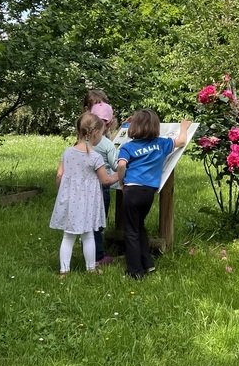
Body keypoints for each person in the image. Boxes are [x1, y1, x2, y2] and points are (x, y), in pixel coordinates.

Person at [117, 109, 191, 279]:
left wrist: (122, 181)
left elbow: (121, 166)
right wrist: (184, 127)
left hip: (132, 190)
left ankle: (135, 272)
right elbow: (181, 141)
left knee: (131, 231)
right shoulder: (161, 143)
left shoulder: (128, 147)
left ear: (134, 127)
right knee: (139, 225)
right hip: (149, 192)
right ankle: (147, 263)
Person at [50, 113, 120, 275]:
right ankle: (91, 268)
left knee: (68, 237)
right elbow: (106, 181)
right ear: (95, 133)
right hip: (88, 202)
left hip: (69, 201)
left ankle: (64, 271)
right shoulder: (95, 157)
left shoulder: (67, 152)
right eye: (101, 134)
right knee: (88, 235)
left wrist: (60, 192)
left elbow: (59, 175)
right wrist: (120, 174)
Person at [89, 101, 119, 266]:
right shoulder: (107, 144)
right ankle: (98, 256)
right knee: (99, 222)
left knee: (88, 220)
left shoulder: (82, 141)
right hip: (102, 186)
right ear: (108, 123)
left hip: (84, 186)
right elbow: (115, 165)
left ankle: (88, 250)